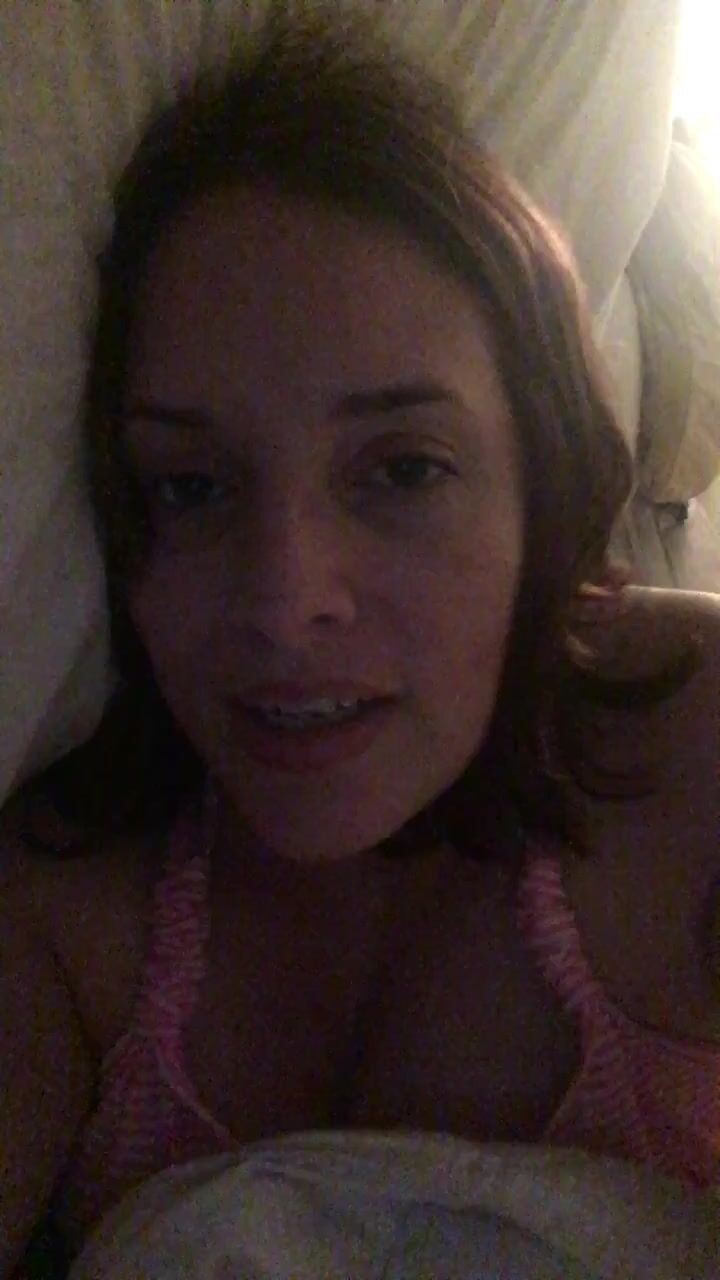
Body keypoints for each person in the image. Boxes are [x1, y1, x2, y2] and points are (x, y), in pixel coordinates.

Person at [1, 2, 718, 1274]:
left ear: (540, 473)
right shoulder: (68, 919)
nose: (284, 602)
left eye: (402, 468)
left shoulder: (700, 752)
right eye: (192, 487)